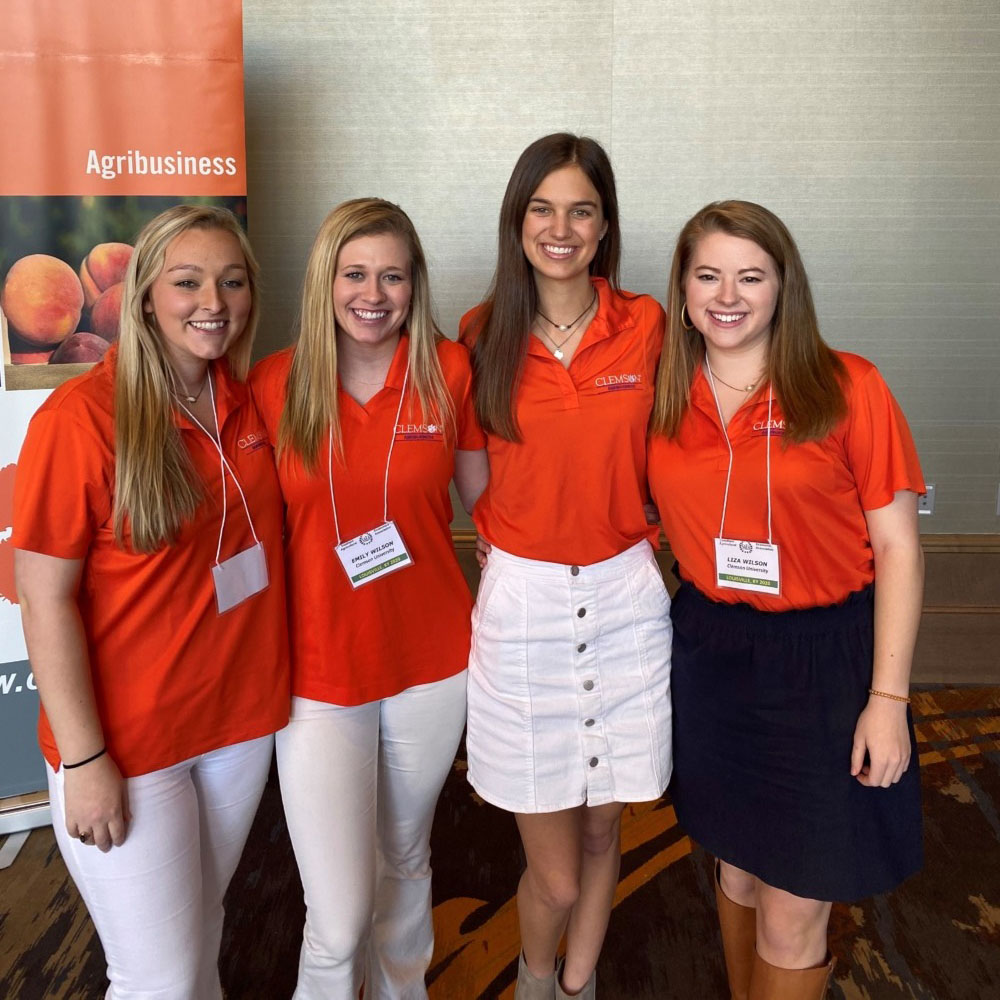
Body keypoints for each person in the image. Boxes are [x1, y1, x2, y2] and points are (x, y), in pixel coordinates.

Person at [648, 200, 924, 999]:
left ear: (782, 286)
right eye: (708, 275)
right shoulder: (665, 396)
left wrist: (889, 699)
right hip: (710, 654)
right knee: (735, 873)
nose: (727, 294)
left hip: (826, 663)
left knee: (793, 906)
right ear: (684, 286)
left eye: (750, 275)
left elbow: (900, 548)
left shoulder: (848, 387)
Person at [13, 205, 289, 999]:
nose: (215, 301)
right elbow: (43, 600)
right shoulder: (80, 421)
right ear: (142, 297)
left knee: (199, 936)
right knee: (157, 979)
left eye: (232, 282)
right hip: (129, 748)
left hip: (236, 728)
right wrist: (87, 759)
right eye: (189, 281)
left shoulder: (247, 399)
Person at [250, 198, 487, 1000]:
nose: (373, 293)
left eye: (392, 274)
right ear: (326, 281)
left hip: (431, 662)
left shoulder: (450, 371)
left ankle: (402, 991)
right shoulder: (273, 385)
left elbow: (494, 505)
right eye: (355, 273)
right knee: (339, 912)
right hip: (317, 671)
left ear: (415, 284)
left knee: (407, 853)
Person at [461, 133, 672, 1000]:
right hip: (525, 609)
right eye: (542, 209)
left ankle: (579, 982)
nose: (561, 226)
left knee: (600, 835)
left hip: (626, 599)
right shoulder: (479, 336)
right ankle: (536, 978)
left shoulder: (650, 324)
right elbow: (463, 471)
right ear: (517, 224)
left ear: (604, 226)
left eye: (580, 209)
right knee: (551, 871)